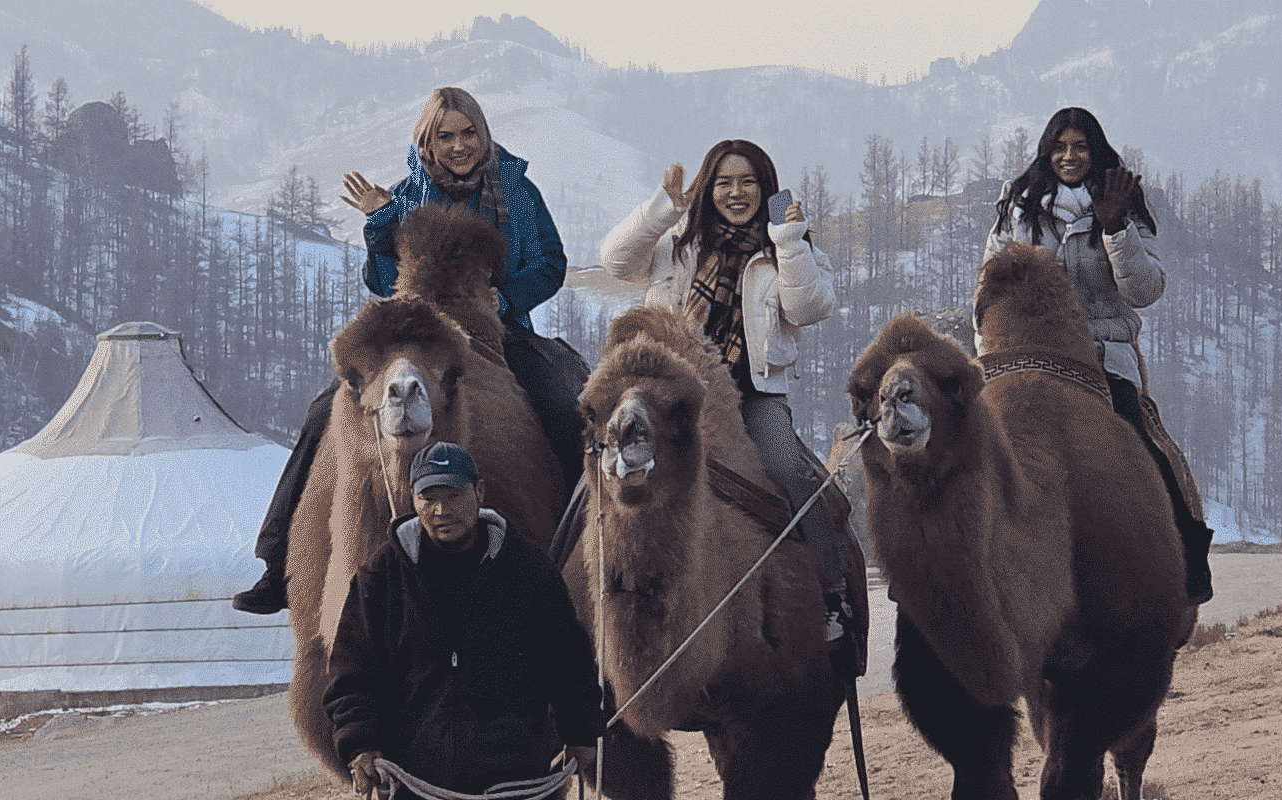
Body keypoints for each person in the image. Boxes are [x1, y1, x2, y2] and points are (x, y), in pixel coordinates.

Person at [233, 87, 584, 615]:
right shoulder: (403, 195)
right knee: (322, 414)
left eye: (468, 133)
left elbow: (551, 263)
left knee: (562, 404)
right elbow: (382, 282)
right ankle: (278, 556)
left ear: (483, 134)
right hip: (419, 334)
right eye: (446, 136)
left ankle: (585, 547)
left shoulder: (516, 189)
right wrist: (380, 221)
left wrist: (507, 298)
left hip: (498, 328)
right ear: (427, 141)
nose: (459, 146)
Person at [598, 138, 858, 638]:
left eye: (748, 182)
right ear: (707, 188)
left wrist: (788, 240)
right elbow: (615, 260)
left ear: (766, 188)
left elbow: (808, 308)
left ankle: (832, 593)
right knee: (602, 470)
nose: (736, 193)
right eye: (723, 183)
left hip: (752, 394)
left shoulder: (788, 248)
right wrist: (664, 207)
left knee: (788, 469)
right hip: (670, 391)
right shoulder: (676, 243)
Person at [984, 106, 1215, 605]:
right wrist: (990, 356)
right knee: (968, 451)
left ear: (1097, 151)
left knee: (1143, 447)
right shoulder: (1017, 208)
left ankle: (1187, 562)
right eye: (1060, 147)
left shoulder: (1123, 204)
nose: (1069, 156)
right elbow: (989, 289)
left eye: (1081, 147)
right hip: (1025, 357)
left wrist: (1116, 230)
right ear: (1046, 151)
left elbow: (1145, 291)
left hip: (1102, 356)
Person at [324, 441, 602, 799]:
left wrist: (581, 729)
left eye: (454, 495)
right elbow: (352, 670)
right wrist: (360, 743)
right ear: (413, 501)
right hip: (415, 782)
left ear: (479, 492)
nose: (441, 510)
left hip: (517, 778)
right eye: (428, 498)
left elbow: (567, 658)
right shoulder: (381, 578)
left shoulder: (529, 571)